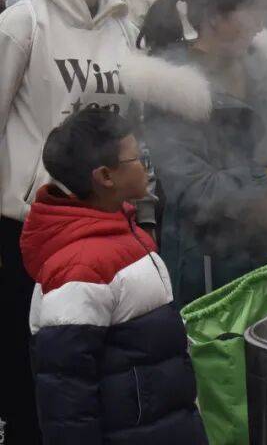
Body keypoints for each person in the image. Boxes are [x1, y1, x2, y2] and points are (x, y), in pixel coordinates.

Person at [0, 0, 138, 444]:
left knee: (97, 393)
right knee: (36, 396)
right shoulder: (21, 24)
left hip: (107, 234)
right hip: (31, 239)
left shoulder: (121, 26)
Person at [20, 110, 208, 444]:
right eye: (137, 158)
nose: (146, 167)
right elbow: (67, 399)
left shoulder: (124, 231)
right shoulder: (78, 272)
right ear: (106, 177)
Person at [131, 0, 267, 306]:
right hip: (210, 275)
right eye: (252, 15)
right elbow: (192, 189)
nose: (260, 26)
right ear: (214, 18)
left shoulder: (260, 74)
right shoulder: (173, 91)